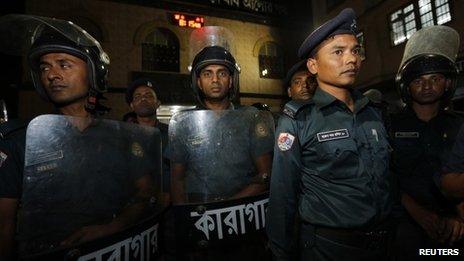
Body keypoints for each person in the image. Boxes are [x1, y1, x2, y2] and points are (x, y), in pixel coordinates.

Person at [0, 15, 157, 258]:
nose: (52, 74)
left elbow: (144, 195)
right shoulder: (20, 141)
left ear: (94, 72)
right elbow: (4, 227)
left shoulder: (120, 138)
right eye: (45, 67)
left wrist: (111, 228)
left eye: (64, 64)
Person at [267, 8, 392, 260]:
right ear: (313, 65)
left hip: (384, 243)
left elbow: (390, 179)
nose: (351, 59)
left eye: (355, 50)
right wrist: (280, 252)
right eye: (338, 52)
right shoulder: (298, 120)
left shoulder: (373, 112)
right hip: (329, 248)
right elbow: (283, 194)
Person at [390, 25, 464, 257]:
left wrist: (458, 217)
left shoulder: (460, 124)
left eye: (435, 78)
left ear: (448, 84)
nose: (427, 86)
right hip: (405, 224)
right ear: (407, 85)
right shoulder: (389, 125)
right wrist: (418, 213)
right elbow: (385, 177)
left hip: (454, 226)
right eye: (418, 80)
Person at [169, 45, 273, 204]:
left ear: (231, 80)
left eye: (222, 73)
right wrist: (184, 218)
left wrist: (225, 207)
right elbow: (177, 180)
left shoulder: (251, 117)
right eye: (207, 74)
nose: (215, 80)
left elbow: (265, 174)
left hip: (243, 209)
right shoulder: (183, 123)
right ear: (199, 82)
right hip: (199, 211)